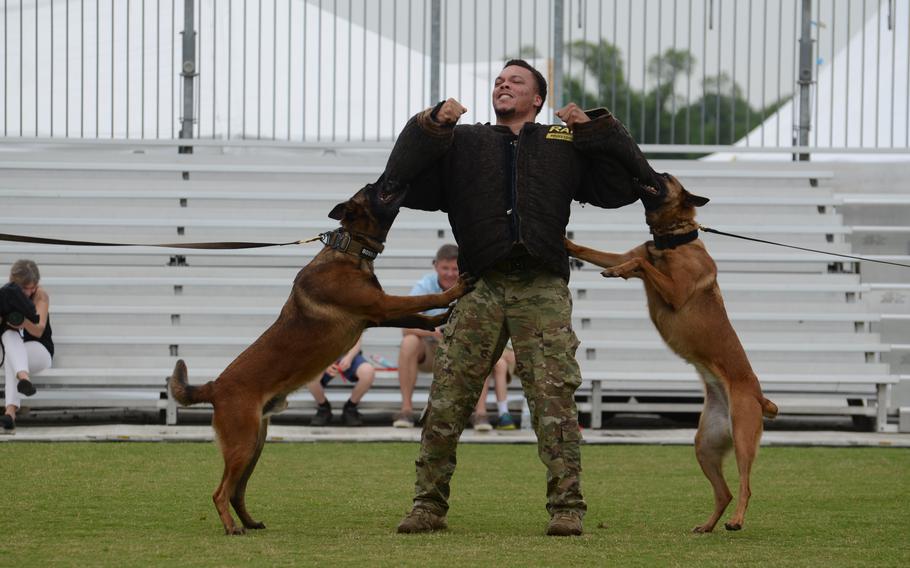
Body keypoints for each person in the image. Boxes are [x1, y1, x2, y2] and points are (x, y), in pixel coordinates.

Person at [386, 59, 662, 536]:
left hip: (541, 287)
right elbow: (398, 177)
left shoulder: (563, 144)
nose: (502, 85)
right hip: (480, 286)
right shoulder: (464, 142)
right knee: (448, 399)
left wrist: (596, 128)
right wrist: (432, 124)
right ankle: (427, 505)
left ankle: (567, 508)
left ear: (538, 99)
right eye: (498, 81)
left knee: (554, 400)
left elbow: (627, 185)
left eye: (516, 81)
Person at [392, 244, 459, 428]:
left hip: (459, 349)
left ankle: (479, 414)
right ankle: (406, 410)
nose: (450, 274)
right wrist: (432, 331)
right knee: (409, 342)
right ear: (436, 265)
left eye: (455, 269)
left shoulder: (469, 287)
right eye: (445, 268)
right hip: (431, 347)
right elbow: (406, 326)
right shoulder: (424, 285)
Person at [2, 260, 53, 433]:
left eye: (33, 287)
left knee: (12, 358)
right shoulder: (6, 295)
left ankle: (10, 411)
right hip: (15, 351)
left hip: (40, 351)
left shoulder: (41, 296)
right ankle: (23, 380)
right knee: (9, 336)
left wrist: (22, 322)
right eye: (25, 288)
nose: (29, 291)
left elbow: (39, 331)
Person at [307, 335, 375, 426]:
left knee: (368, 371)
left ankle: (350, 408)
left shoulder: (351, 320)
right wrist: (326, 362)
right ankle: (323, 408)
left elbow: (357, 340)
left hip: (349, 356)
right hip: (322, 356)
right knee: (310, 374)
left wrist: (349, 358)